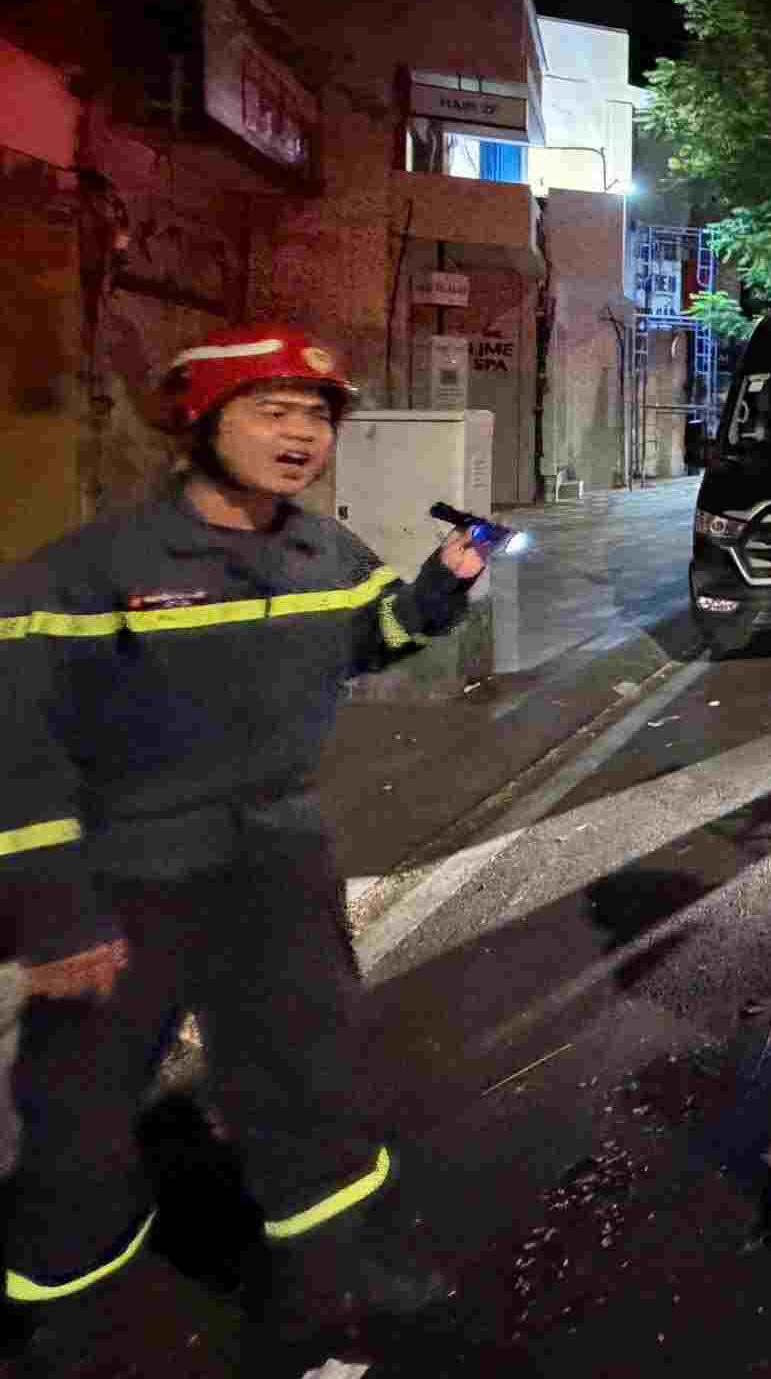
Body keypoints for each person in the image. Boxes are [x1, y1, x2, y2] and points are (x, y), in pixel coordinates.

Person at [0, 323, 485, 1368]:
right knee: (77, 1109)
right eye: (271, 411)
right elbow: (19, 753)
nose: (300, 434)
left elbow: (373, 635)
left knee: (314, 1078)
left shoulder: (324, 551)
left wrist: (439, 589)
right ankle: (61, 1313)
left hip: (277, 862)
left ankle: (338, 1283)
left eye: (315, 416)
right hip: (127, 875)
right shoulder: (90, 570)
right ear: (201, 425)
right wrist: (53, 913)